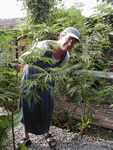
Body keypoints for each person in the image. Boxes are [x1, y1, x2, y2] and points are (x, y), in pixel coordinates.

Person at [16, 27, 80, 149]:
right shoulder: (44, 46)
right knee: (28, 105)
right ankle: (26, 136)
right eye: (69, 39)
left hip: (47, 80)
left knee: (46, 106)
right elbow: (25, 58)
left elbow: (57, 68)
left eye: (74, 42)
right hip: (31, 77)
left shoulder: (66, 57)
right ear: (61, 36)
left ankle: (46, 131)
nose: (70, 43)